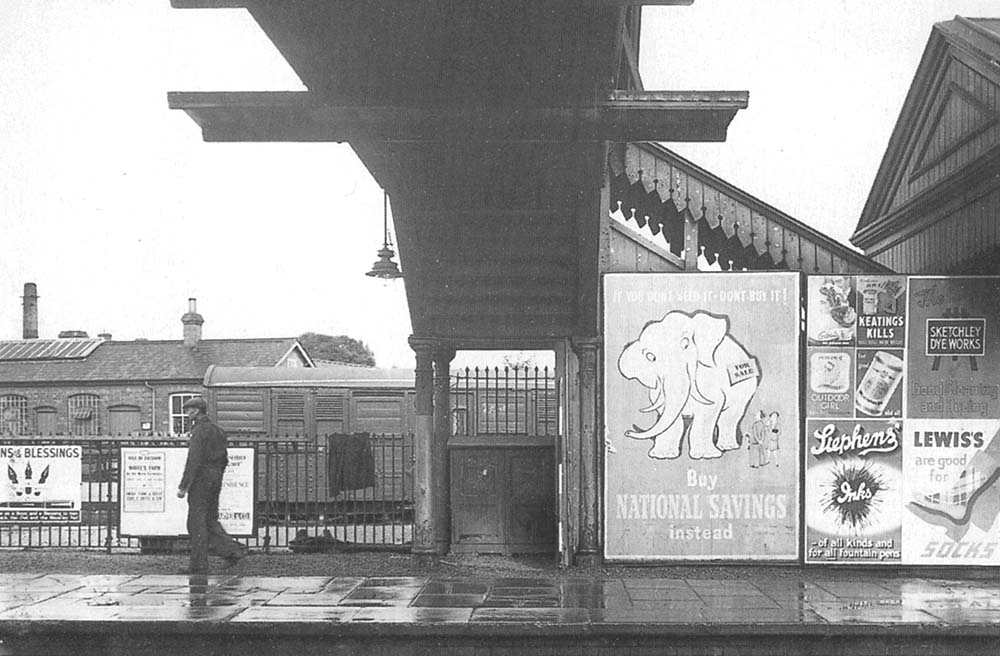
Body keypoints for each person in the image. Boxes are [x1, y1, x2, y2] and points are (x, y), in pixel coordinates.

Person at [176, 397, 245, 574]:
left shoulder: (199, 431)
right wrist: (217, 475)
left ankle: (198, 565)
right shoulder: (218, 430)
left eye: (188, 410)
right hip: (216, 478)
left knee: (196, 523)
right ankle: (232, 551)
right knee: (210, 519)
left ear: (196, 411)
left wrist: (184, 486)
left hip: (201, 480)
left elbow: (194, 459)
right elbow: (224, 458)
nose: (187, 414)